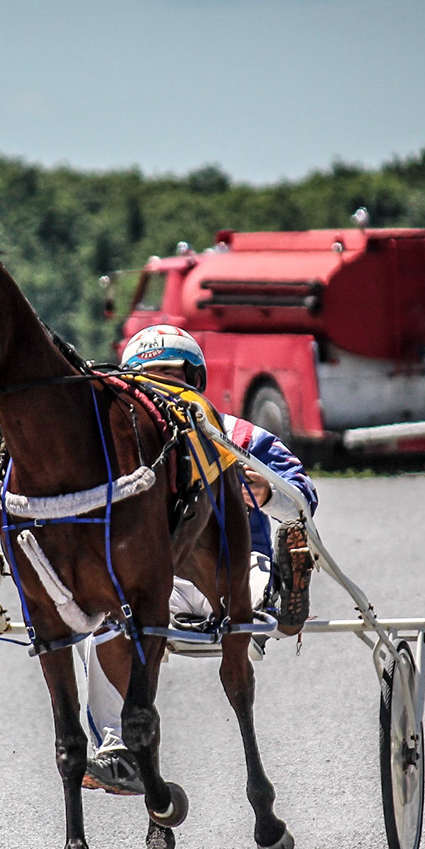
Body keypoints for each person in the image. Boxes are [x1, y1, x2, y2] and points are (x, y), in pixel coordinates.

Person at [77, 324, 318, 795]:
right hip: (154, 583)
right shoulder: (122, 450)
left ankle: (284, 599)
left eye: (173, 375)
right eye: (149, 378)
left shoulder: (237, 434)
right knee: (102, 624)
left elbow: (304, 493)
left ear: (196, 380)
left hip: (240, 570)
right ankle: (115, 748)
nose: (163, 387)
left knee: (247, 605)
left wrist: (268, 494)